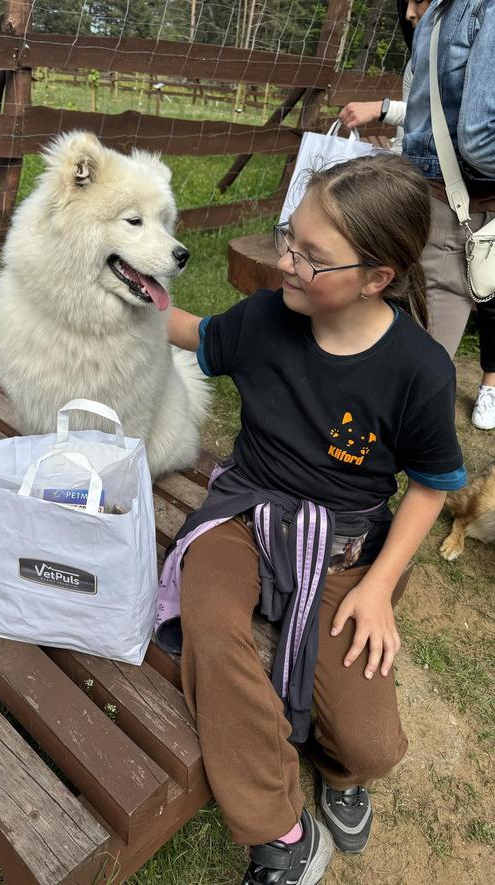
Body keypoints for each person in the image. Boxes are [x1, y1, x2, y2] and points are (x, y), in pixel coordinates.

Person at [156, 152, 466, 885]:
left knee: (371, 744)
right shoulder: (268, 313)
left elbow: (429, 485)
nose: (286, 262)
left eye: (310, 255)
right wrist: (108, 289)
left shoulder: (419, 369)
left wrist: (378, 586)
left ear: (377, 276)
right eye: (288, 238)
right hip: (248, 509)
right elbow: (198, 334)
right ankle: (281, 833)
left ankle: (339, 772)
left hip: (345, 546)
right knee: (207, 616)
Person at [403, 0, 495, 429]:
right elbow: (478, 139)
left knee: (391, 351)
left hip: (426, 200)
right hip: (460, 211)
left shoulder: (441, 9)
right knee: (415, 381)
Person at [339, 1, 430, 153]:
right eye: (406, 4)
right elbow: (406, 138)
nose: (409, 14)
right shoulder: (414, 65)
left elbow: (452, 119)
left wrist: (382, 108)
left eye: (419, 1)